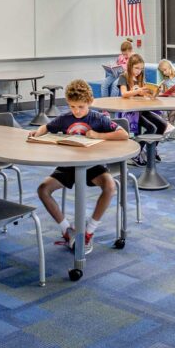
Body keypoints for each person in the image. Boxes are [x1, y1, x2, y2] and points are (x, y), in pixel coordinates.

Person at [33, 80, 129, 254]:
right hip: (69, 165)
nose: (76, 111)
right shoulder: (65, 118)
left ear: (90, 103)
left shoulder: (97, 118)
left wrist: (98, 135)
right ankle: (67, 230)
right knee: (43, 189)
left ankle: (88, 232)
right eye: (72, 106)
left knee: (110, 186)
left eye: (81, 107)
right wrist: (37, 133)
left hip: (93, 165)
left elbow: (124, 134)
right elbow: (46, 127)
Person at [120, 53, 167, 137]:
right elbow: (124, 93)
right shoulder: (123, 77)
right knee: (151, 128)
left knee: (163, 125)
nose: (139, 71)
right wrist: (137, 91)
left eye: (141, 69)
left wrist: (156, 92)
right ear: (130, 66)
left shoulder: (140, 77)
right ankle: (140, 149)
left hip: (142, 110)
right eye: (136, 68)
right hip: (131, 112)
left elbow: (149, 96)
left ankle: (151, 149)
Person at [154, 59, 175, 134]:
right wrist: (161, 91)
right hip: (170, 98)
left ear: (170, 67)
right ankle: (166, 126)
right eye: (162, 71)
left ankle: (169, 127)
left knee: (173, 109)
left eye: (165, 70)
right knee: (164, 108)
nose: (164, 72)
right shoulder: (165, 80)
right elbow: (165, 92)